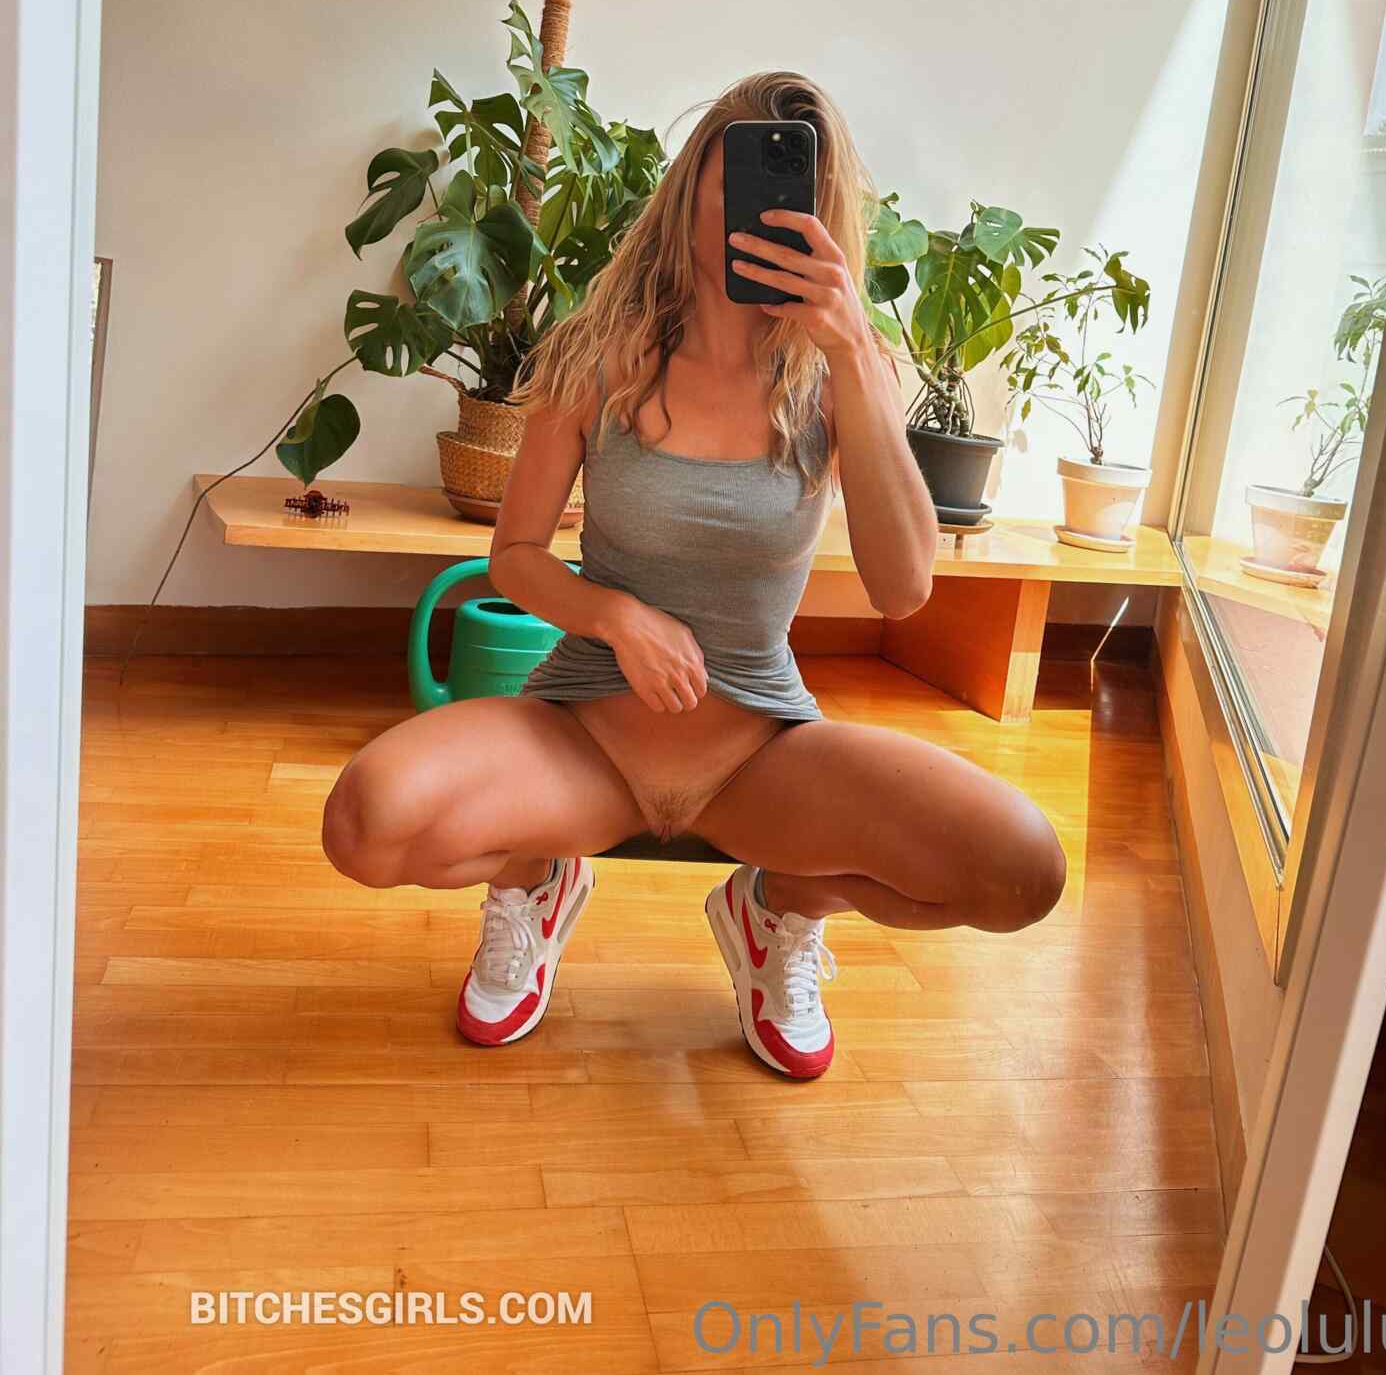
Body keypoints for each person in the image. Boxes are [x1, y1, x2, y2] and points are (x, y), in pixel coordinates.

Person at [322, 73, 1066, 1080]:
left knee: (1020, 867)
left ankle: (775, 911)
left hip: (758, 754)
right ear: (693, 185)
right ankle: (538, 878)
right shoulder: (597, 353)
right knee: (364, 824)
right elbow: (516, 556)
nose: (763, 211)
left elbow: (902, 588)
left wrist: (853, 352)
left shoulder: (843, 372)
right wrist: (616, 616)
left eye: (795, 190)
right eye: (740, 176)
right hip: (587, 736)